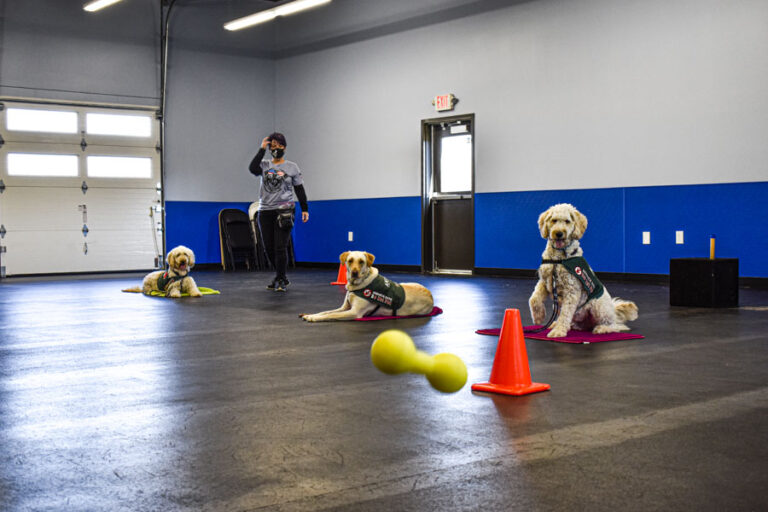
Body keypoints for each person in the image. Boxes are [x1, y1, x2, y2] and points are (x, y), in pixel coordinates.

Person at [248, 132, 309, 291]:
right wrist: (261, 149)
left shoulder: (292, 167)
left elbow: (299, 188)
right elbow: (252, 168)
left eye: (279, 145)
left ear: (284, 147)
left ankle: (280, 279)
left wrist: (305, 209)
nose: (276, 148)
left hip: (285, 210)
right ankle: (281, 276)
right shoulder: (264, 165)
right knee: (268, 247)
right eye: (272, 146)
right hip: (265, 210)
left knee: (280, 246)